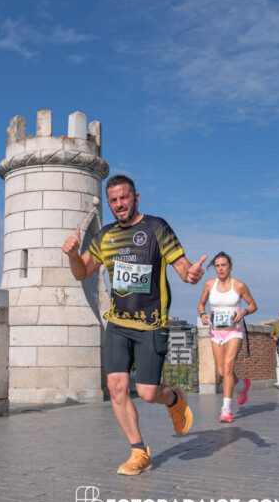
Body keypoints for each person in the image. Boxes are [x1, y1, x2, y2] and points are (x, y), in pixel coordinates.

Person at [62, 174, 206, 475]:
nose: (119, 204)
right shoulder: (105, 236)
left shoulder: (156, 227)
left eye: (124, 198)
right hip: (118, 322)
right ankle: (139, 452)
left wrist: (191, 275)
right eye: (113, 200)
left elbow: (182, 268)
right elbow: (81, 272)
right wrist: (73, 255)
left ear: (136, 198)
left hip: (151, 324)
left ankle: (174, 398)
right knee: (116, 386)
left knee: (148, 392)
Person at [197, 252, 257, 423]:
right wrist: (202, 314)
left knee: (228, 367)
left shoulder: (239, 286)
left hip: (234, 330)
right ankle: (242, 385)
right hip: (216, 331)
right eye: (217, 266)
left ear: (230, 267)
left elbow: (253, 305)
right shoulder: (209, 285)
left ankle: (226, 409)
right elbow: (201, 305)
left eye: (224, 265)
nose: (220, 268)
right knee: (223, 372)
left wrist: (243, 311)